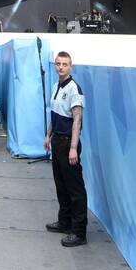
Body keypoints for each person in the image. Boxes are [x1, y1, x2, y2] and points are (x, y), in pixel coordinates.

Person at [44, 52, 86, 247]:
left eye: (65, 64)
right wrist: (48, 136)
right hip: (57, 142)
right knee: (61, 185)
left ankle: (79, 232)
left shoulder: (74, 89)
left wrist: (73, 148)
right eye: (58, 64)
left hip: (69, 143)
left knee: (75, 189)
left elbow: (77, 120)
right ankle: (64, 222)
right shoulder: (55, 86)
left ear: (71, 66)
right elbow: (55, 114)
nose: (61, 67)